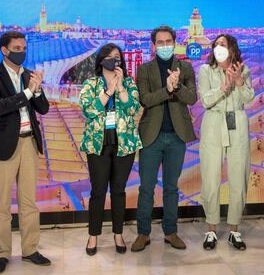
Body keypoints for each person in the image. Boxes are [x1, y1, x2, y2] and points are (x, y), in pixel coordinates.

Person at [0, 31, 50, 274]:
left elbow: (43, 108)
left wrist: (38, 90)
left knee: (29, 202)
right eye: (17, 48)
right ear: (4, 50)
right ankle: (2, 254)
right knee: (1, 204)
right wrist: (28, 93)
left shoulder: (30, 75)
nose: (22, 51)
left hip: (28, 143)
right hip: (2, 147)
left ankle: (30, 249)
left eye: (24, 47)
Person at [131, 25, 197, 252]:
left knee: (171, 187)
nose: (165, 45)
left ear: (175, 42)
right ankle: (143, 233)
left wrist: (176, 85)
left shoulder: (186, 67)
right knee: (146, 188)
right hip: (152, 136)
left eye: (168, 41)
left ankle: (171, 232)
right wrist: (167, 90)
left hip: (177, 136)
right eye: (160, 42)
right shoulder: (144, 69)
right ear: (153, 45)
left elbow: (192, 98)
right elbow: (145, 100)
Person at [79, 43, 142, 255]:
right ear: (100, 60)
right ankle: (93, 236)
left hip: (124, 144)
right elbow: (89, 111)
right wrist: (109, 90)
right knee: (98, 191)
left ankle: (118, 234)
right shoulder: (90, 84)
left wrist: (121, 86)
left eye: (116, 56)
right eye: (107, 56)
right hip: (98, 145)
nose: (112, 59)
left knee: (118, 190)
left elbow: (133, 108)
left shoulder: (129, 83)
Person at [198, 34, 254, 250]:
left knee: (239, 176)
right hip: (213, 122)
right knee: (211, 176)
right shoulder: (205, 70)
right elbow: (205, 100)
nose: (218, 47)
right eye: (216, 45)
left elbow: (249, 98)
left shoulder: (243, 69)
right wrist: (223, 87)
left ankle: (234, 231)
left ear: (232, 48)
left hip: (237, 122)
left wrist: (239, 82)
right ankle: (211, 229)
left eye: (222, 44)